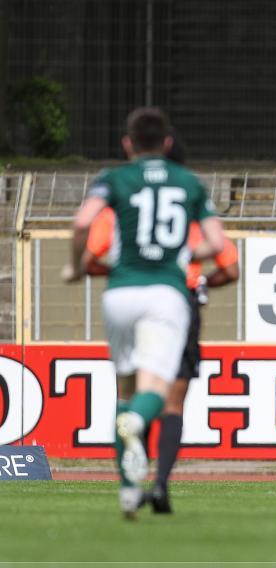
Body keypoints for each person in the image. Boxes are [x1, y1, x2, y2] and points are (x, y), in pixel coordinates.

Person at [63, 107, 225, 519]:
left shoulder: (113, 178)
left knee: (125, 387)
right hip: (165, 295)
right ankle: (137, 423)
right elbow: (216, 243)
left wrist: (76, 265)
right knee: (155, 387)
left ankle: (128, 492)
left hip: (120, 293)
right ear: (168, 143)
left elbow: (82, 222)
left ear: (128, 143)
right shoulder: (188, 182)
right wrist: (182, 252)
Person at [85, 207, 239, 513]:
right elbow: (231, 269)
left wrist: (115, 271)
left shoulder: (118, 207)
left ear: (129, 155)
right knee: (173, 404)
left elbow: (88, 260)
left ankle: (132, 484)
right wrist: (201, 281)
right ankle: (161, 486)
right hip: (177, 301)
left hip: (130, 298)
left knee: (130, 394)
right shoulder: (191, 208)